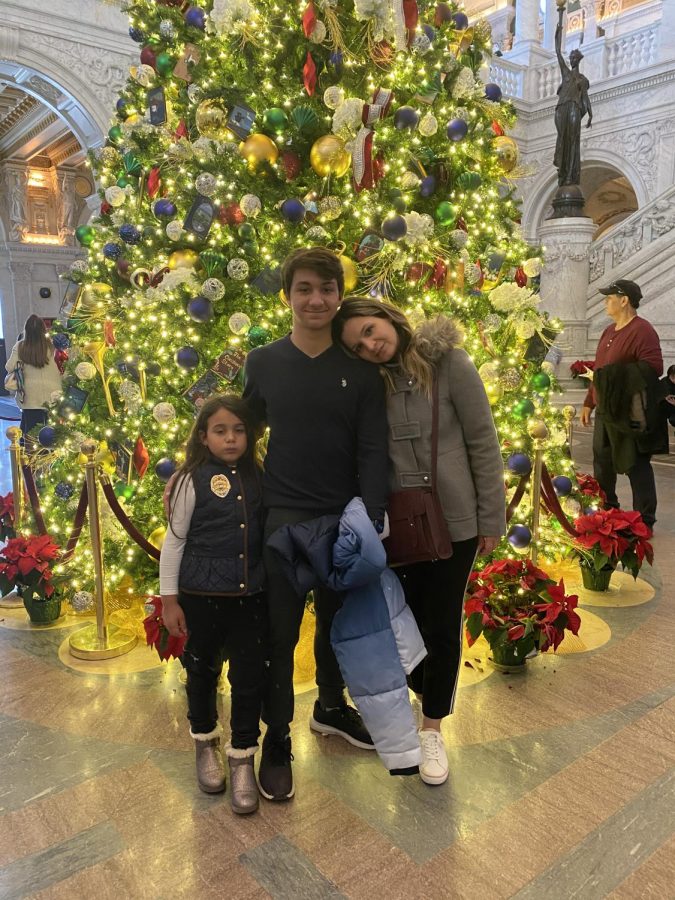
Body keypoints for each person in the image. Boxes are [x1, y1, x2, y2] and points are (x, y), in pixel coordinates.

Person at [332, 298, 506, 786]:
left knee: (442, 621)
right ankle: (418, 691)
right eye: (358, 345)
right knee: (402, 624)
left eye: (369, 329)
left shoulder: (448, 362)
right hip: (394, 525)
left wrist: (491, 518)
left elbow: (483, 443)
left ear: (386, 316)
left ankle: (432, 727)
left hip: (454, 521)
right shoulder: (367, 382)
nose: (370, 344)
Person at [243, 247, 389, 802]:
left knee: (337, 625)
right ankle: (276, 739)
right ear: (288, 296)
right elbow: (244, 433)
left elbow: (374, 452)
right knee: (279, 634)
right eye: (304, 288)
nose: (316, 299)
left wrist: (370, 519)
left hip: (343, 519)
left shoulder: (361, 372)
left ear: (338, 296)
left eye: (326, 289)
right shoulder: (263, 363)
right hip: (282, 517)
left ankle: (330, 707)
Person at [160, 394, 268, 815]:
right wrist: (170, 600)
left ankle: (242, 755)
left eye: (238, 430)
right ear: (203, 437)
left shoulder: (260, 475)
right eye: (220, 431)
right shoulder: (191, 479)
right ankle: (205, 742)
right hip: (201, 599)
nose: (230, 439)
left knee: (248, 678)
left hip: (250, 598)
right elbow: (176, 540)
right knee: (201, 673)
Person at [580, 280, 665, 529]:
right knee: (602, 460)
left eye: (609, 298)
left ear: (624, 300)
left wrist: (615, 376)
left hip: (628, 412)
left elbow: (653, 367)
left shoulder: (642, 330)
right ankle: (608, 509)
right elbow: (600, 371)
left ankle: (645, 519)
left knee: (635, 462)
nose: (606, 302)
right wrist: (589, 403)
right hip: (606, 409)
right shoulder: (609, 331)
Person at [553, 9, 592, 187]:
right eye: (570, 57)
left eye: (573, 57)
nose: (571, 60)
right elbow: (557, 53)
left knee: (572, 141)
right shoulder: (566, 74)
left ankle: (570, 175)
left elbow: (585, 98)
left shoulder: (582, 80)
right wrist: (558, 32)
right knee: (562, 138)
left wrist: (590, 115)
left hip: (575, 108)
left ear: (578, 59)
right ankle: (562, 172)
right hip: (562, 108)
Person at [5, 315, 62, 435]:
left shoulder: (21, 346)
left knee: (31, 434)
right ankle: (49, 453)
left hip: (30, 396)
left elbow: (9, 367)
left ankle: (31, 453)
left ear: (26, 330)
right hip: (54, 394)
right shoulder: (53, 346)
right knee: (53, 434)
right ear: (44, 329)